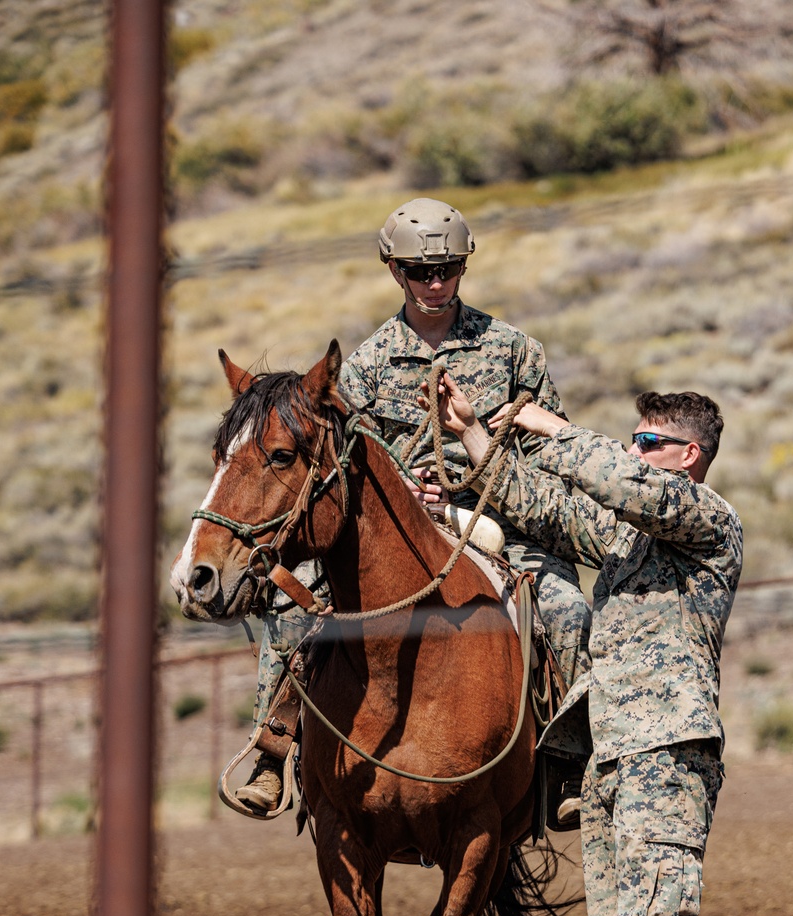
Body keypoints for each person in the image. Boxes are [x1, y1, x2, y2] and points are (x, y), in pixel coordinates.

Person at [433, 372, 743, 916]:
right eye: (633, 439)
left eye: (649, 441)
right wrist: (477, 434)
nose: (635, 451)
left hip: (666, 746)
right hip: (612, 748)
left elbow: (621, 482)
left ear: (689, 456)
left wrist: (546, 424)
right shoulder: (631, 538)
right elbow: (546, 509)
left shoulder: (705, 520)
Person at [236, 197, 591, 815]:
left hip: (501, 521)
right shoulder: (365, 368)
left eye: (447, 269)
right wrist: (409, 493)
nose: (436, 283)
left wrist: (482, 482)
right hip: (397, 530)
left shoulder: (514, 353)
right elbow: (346, 469)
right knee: (296, 615)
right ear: (393, 271)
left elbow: (553, 450)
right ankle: (273, 755)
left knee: (568, 612)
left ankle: (566, 766)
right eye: (420, 272)